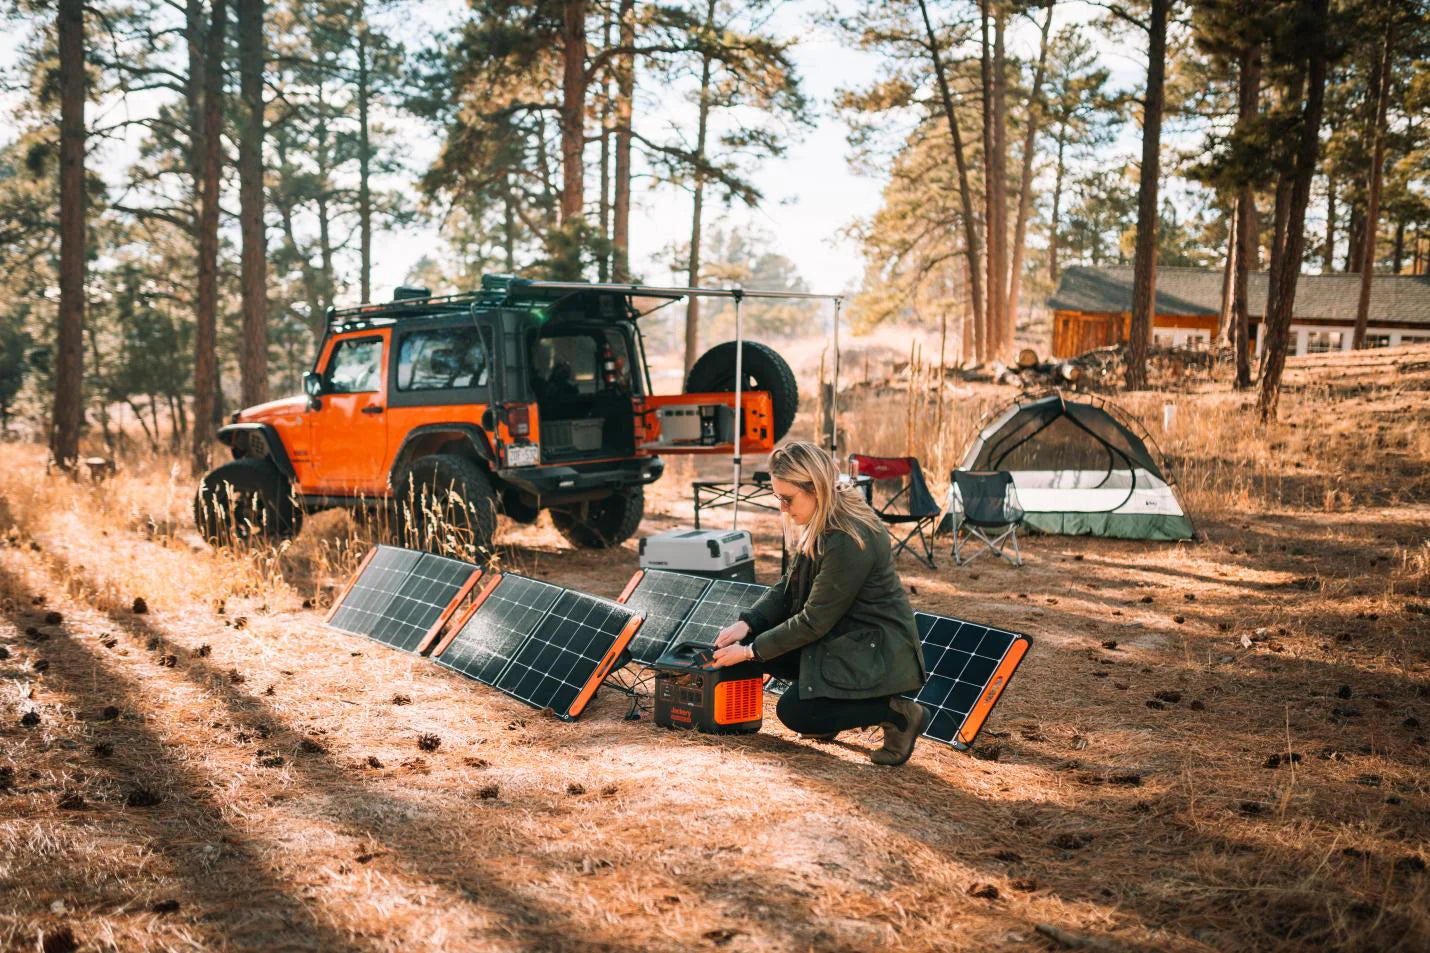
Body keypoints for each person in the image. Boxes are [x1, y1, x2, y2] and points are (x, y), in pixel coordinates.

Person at [710, 441, 931, 766]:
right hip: (840, 641)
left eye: (788, 498)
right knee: (757, 646)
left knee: (795, 712)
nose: (783, 508)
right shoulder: (824, 517)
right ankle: (831, 712)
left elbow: (814, 621)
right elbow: (788, 587)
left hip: (873, 651)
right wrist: (748, 624)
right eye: (778, 498)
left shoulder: (849, 537)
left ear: (815, 488)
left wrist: (748, 651)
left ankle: (898, 714)